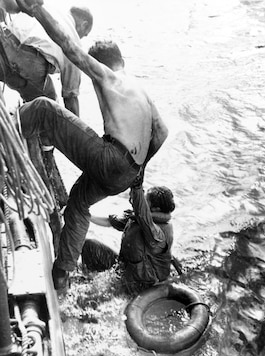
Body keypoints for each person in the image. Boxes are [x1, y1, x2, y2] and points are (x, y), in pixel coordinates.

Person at [15, 0, 169, 291]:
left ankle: (7, 130)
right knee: (78, 203)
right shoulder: (142, 92)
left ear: (104, 62)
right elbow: (161, 133)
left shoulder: (109, 76)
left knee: (45, 109)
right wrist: (140, 172)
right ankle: (62, 273)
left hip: (110, 159)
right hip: (127, 173)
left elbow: (70, 49)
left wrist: (35, 8)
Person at [82, 184, 182, 293]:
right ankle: (88, 279)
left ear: (156, 208)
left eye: (145, 200)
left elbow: (151, 232)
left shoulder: (159, 231)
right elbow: (109, 222)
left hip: (143, 283)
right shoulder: (136, 218)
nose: (142, 202)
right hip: (125, 269)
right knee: (89, 245)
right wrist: (86, 215)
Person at [0, 2, 93, 115]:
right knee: (50, 110)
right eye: (85, 34)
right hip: (28, 62)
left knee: (47, 87)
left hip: (4, 39)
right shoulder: (74, 42)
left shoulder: (46, 9)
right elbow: (70, 96)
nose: (82, 37)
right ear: (84, 24)